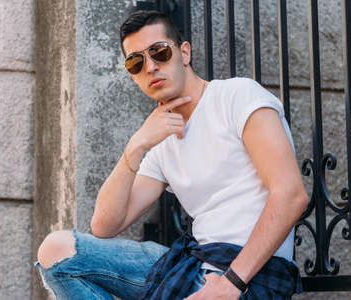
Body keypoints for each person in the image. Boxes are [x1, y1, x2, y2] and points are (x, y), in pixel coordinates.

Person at [35, 10, 308, 300]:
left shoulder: (237, 97)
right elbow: (105, 225)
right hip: (189, 268)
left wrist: (230, 284)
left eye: (159, 52)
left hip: (248, 276)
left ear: (185, 53)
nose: (150, 67)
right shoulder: (161, 142)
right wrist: (136, 145)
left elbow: (291, 195)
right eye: (136, 62)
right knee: (58, 251)